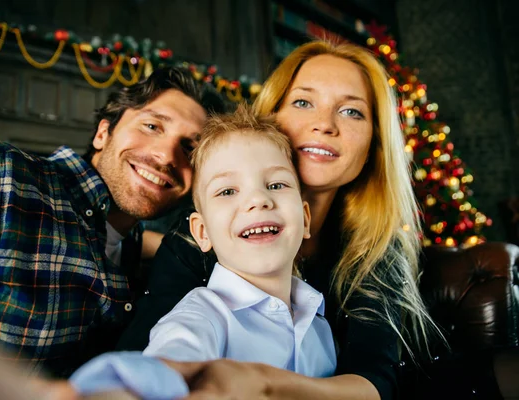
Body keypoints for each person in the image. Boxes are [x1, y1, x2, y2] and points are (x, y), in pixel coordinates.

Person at [117, 40, 439, 400]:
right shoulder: (203, 257)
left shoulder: (371, 253)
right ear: (272, 114)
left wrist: (266, 386)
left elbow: (376, 376)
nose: (324, 124)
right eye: (303, 102)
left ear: (373, 144)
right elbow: (157, 362)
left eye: (351, 112)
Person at [0, 66, 223, 378]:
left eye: (190, 148)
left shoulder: (133, 250)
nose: (167, 156)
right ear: (103, 132)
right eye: (152, 126)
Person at [65, 105, 337, 399]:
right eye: (227, 191)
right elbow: (167, 367)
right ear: (202, 232)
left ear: (305, 219)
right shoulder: (202, 317)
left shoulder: (319, 319)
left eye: (276, 184)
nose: (259, 199)